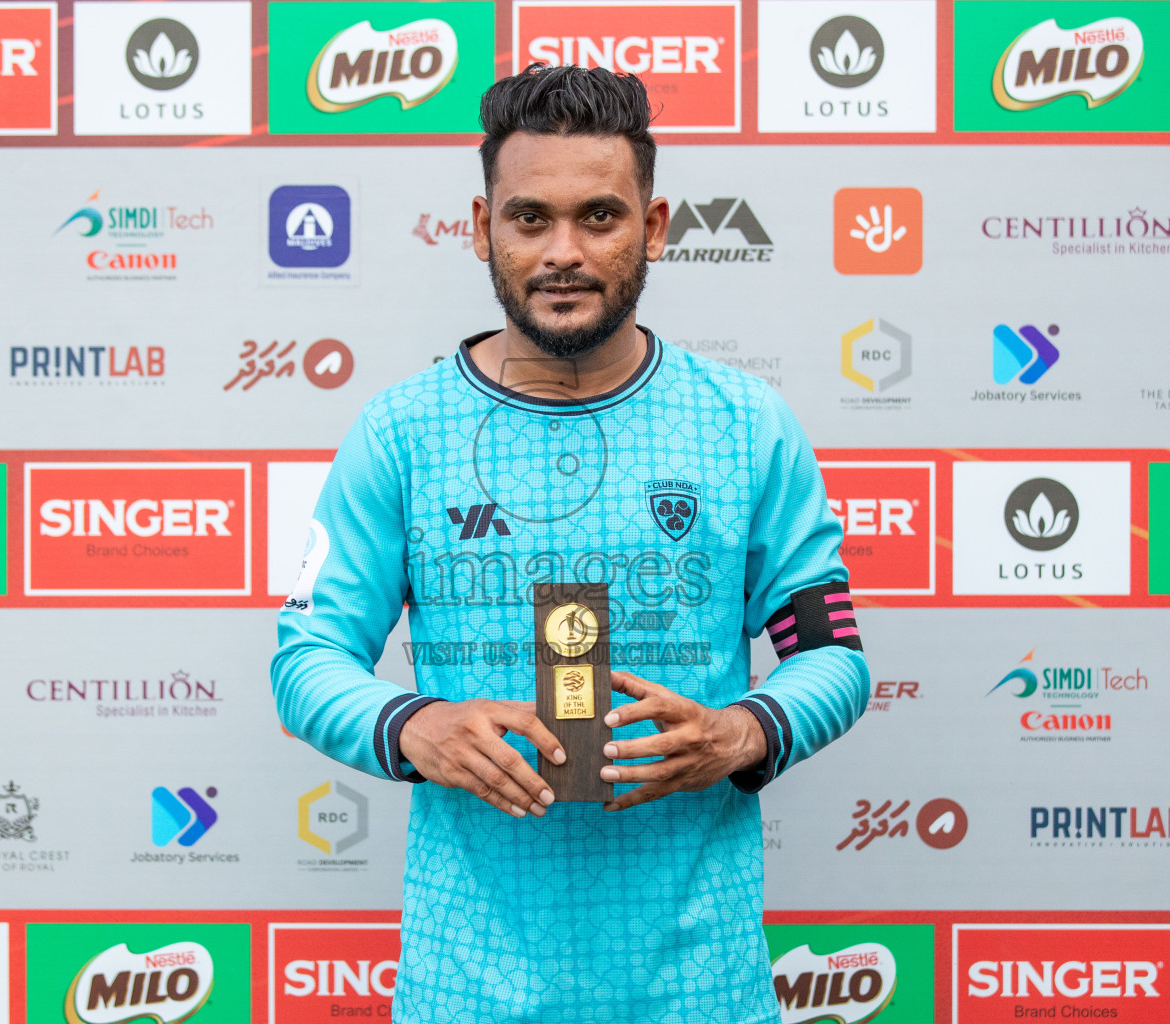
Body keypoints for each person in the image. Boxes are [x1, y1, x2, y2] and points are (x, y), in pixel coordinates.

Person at [271, 65, 870, 1024]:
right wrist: (412, 726)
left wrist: (742, 731)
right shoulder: (400, 434)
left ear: (656, 227)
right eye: (529, 218)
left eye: (600, 216)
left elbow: (832, 656)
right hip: (466, 990)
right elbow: (307, 659)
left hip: (699, 988)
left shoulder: (745, 426)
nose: (564, 252)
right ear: (482, 229)